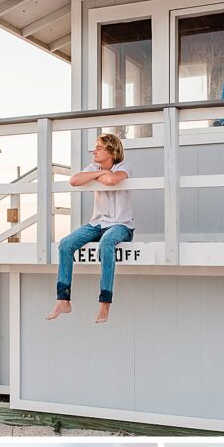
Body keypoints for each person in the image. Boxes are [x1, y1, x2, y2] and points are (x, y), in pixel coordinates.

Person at [47, 133, 133, 324]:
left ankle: (105, 301)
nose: (93, 152)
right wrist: (99, 173)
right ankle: (63, 299)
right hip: (97, 224)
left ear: (111, 150)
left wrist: (99, 176)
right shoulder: (95, 168)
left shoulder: (124, 167)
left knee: (107, 243)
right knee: (66, 244)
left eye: (99, 148)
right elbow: (75, 180)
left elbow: (112, 180)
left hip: (121, 225)